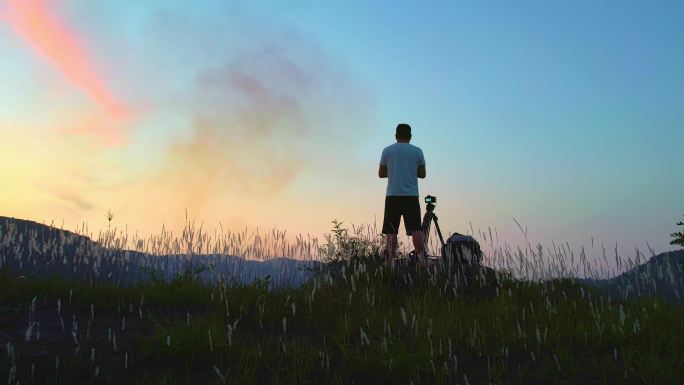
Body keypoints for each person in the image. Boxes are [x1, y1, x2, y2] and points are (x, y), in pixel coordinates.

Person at [378, 123, 427, 267]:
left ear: (396, 135)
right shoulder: (417, 151)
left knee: (391, 231)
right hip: (411, 196)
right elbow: (422, 174)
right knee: (416, 229)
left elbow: (381, 174)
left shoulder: (387, 150)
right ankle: (422, 260)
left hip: (393, 195)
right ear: (410, 136)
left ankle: (390, 261)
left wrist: (394, 170)